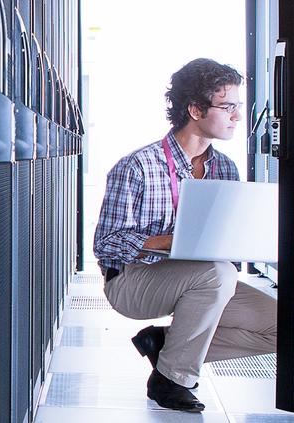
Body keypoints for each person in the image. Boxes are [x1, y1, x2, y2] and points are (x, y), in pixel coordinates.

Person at [93, 58, 278, 412]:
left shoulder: (225, 167)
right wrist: (175, 240)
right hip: (134, 281)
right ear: (195, 109)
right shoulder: (137, 166)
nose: (237, 117)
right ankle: (171, 380)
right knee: (219, 272)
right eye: (228, 107)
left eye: (238, 107)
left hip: (205, 279)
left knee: (282, 329)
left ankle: (164, 345)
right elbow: (106, 245)